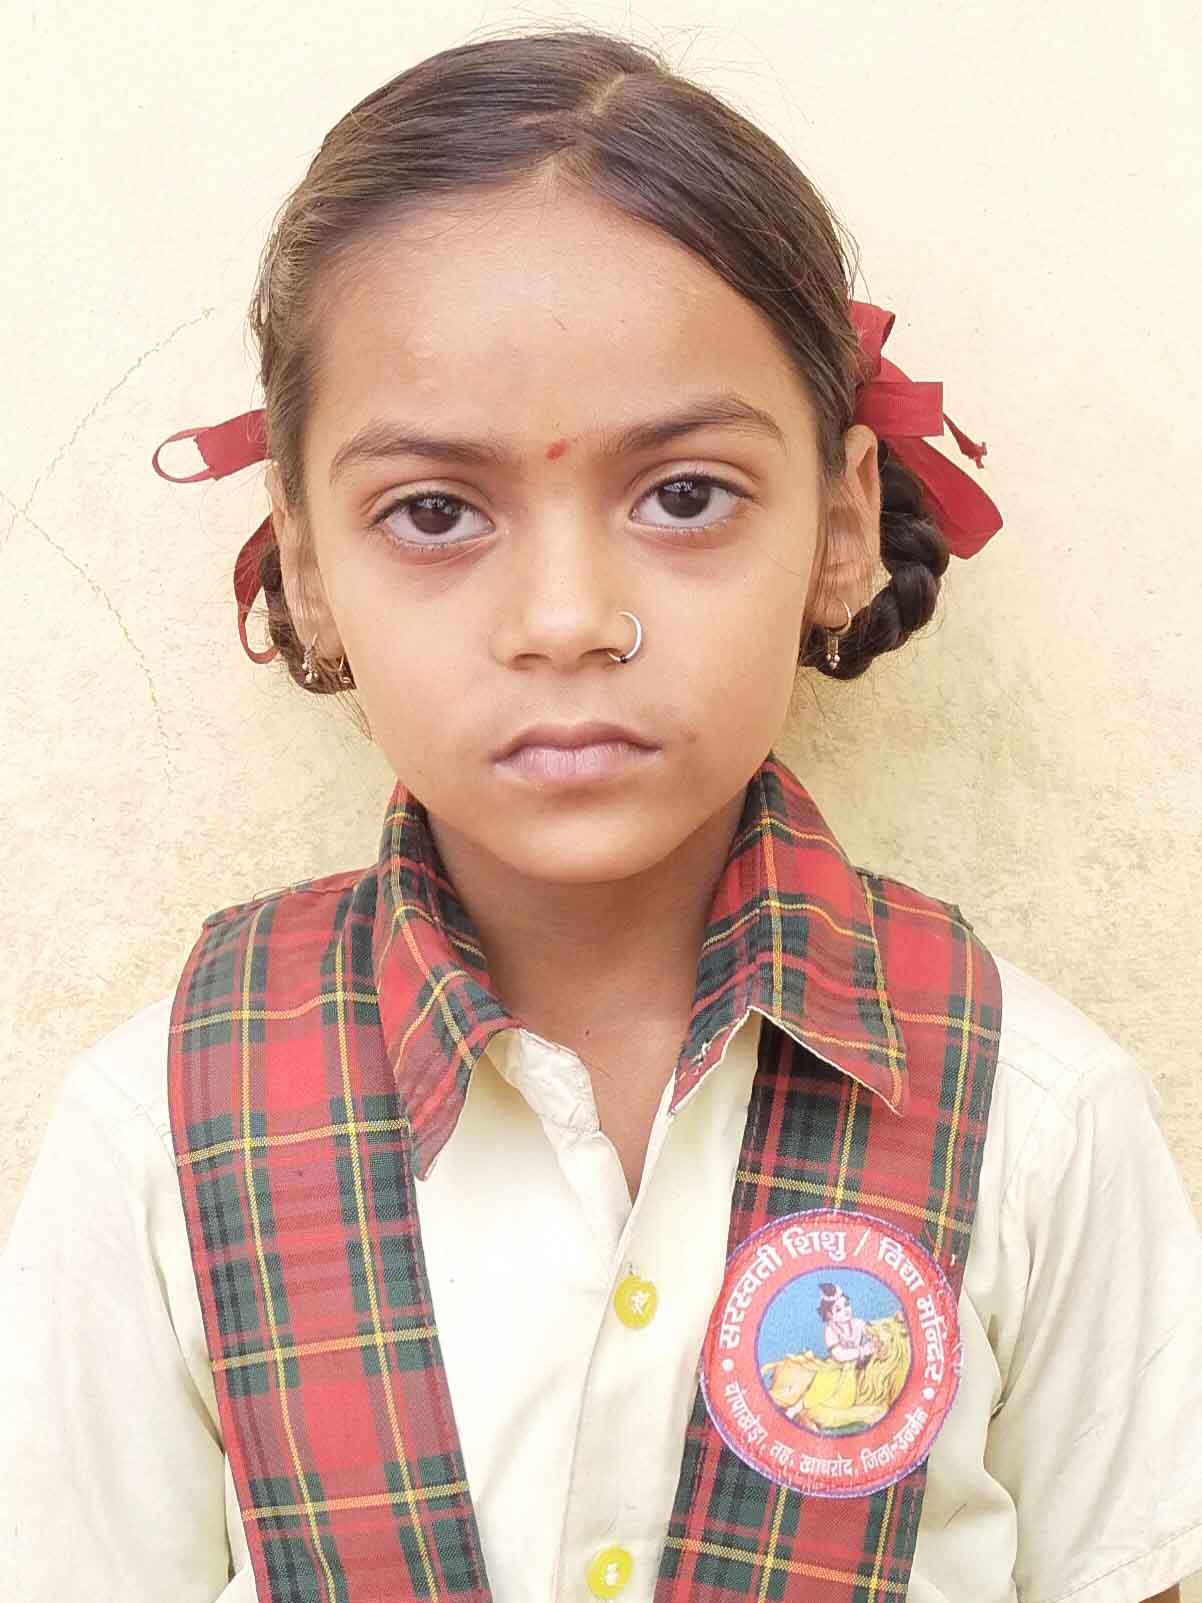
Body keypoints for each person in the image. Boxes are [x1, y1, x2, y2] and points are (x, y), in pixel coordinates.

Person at [3, 25, 1201, 1603]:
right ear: (306, 566)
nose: (566, 618)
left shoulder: (1038, 1120)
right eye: (435, 511)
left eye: (683, 495)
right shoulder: (158, 1131)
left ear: (840, 525)